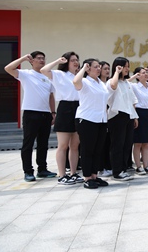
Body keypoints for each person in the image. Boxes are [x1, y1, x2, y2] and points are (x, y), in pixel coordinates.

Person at [4, 51, 57, 182]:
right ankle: (28, 171)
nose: (42, 60)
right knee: (28, 144)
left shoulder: (47, 77)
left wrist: (53, 113)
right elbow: (8, 68)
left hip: (45, 114)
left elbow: (51, 96)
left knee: (43, 144)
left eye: (43, 58)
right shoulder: (26, 74)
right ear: (32, 61)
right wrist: (22, 58)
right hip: (31, 113)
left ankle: (42, 169)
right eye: (38, 58)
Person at [41, 52, 83, 185]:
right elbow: (44, 70)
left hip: (78, 108)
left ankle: (73, 172)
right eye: (72, 60)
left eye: (77, 60)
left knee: (75, 145)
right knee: (63, 145)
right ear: (66, 62)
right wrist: (57, 60)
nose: (76, 62)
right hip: (65, 108)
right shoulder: (59, 75)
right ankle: (62, 175)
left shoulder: (79, 77)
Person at [73, 59, 109, 189]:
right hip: (87, 119)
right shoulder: (85, 82)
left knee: (98, 149)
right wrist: (83, 69)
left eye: (99, 67)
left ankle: (94, 175)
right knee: (87, 149)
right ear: (88, 69)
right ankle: (87, 177)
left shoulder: (101, 83)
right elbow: (75, 82)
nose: (99, 69)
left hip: (101, 119)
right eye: (95, 67)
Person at [107, 57, 138, 181]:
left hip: (128, 115)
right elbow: (113, 86)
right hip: (117, 116)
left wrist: (135, 116)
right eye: (125, 66)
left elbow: (132, 101)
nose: (127, 69)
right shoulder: (111, 81)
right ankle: (117, 171)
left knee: (127, 144)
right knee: (117, 145)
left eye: (127, 66)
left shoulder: (127, 83)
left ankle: (124, 169)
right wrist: (116, 72)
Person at [130, 67, 148, 174]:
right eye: (143, 73)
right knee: (138, 143)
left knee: (146, 143)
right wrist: (134, 77)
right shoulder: (134, 86)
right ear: (137, 75)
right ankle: (138, 166)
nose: (146, 74)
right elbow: (125, 83)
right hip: (139, 113)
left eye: (146, 73)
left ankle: (146, 165)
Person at [97, 61, 112, 178]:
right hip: (99, 116)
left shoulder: (110, 83)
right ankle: (99, 168)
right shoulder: (96, 83)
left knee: (107, 143)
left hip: (109, 116)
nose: (107, 71)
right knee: (100, 145)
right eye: (105, 69)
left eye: (108, 68)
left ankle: (107, 166)